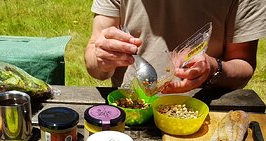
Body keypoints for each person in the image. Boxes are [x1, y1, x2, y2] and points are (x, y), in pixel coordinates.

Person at [84, 0, 266, 93]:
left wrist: (213, 68)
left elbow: (243, 63)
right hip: (132, 108)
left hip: (204, 110)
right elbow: (94, 60)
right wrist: (101, 60)